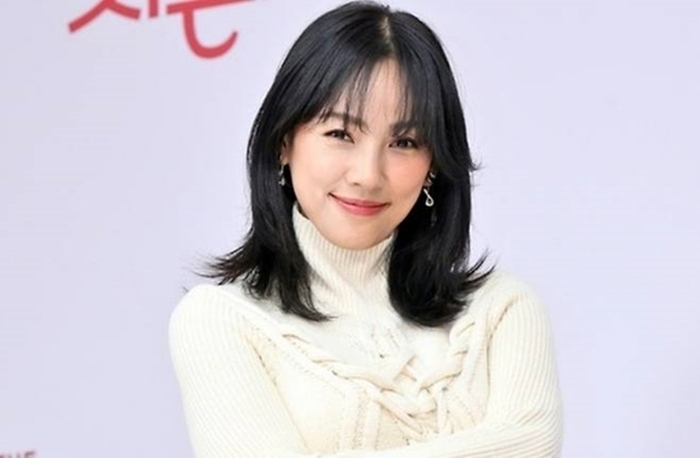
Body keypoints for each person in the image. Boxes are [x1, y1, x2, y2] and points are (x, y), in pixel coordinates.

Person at [169, 1, 563, 457]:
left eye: (404, 142)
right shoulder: (222, 320)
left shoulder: (501, 310)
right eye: (341, 134)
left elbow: (534, 444)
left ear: (433, 165)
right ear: (284, 142)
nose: (368, 175)